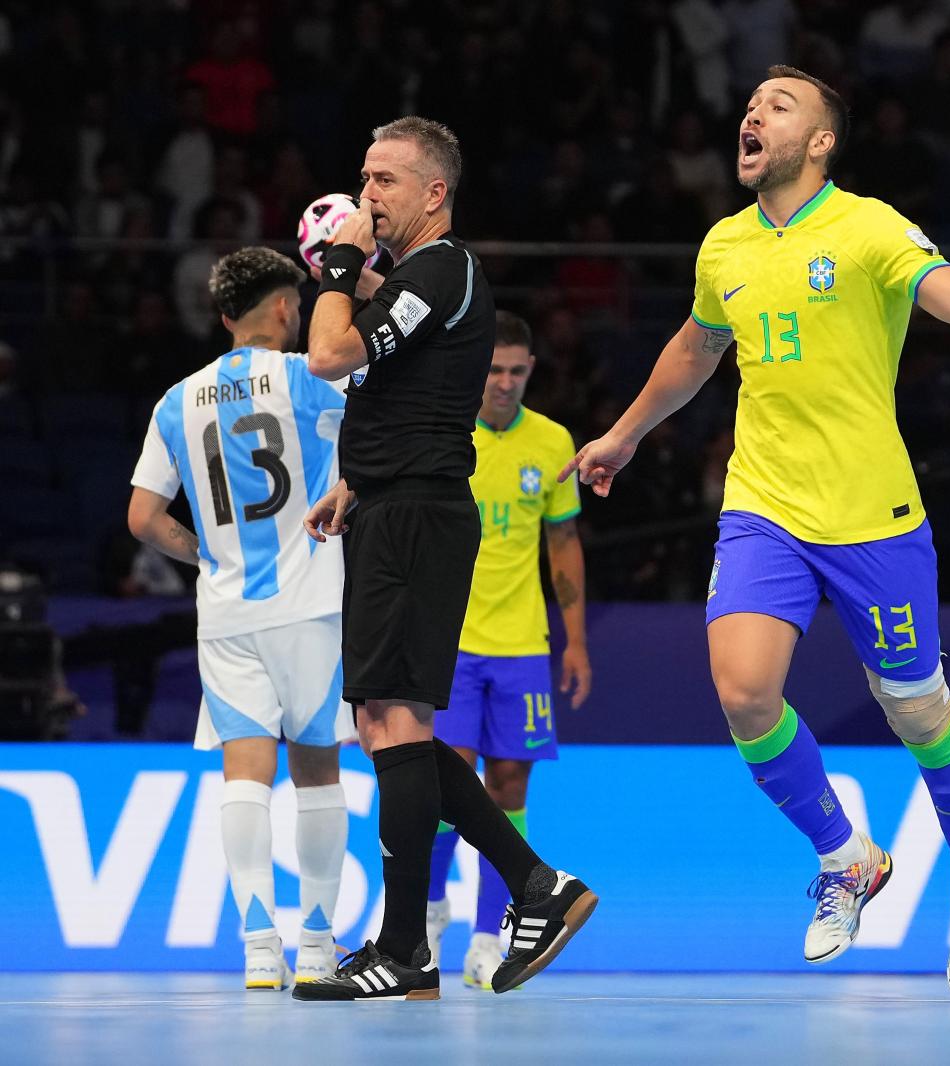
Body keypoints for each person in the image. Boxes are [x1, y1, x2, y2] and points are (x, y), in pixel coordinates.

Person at [561, 66, 950, 1001]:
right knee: (745, 692)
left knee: (919, 713)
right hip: (764, 508)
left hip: (875, 517)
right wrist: (626, 435)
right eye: (751, 104)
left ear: (823, 141)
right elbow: (694, 348)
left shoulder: (871, 227)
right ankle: (847, 857)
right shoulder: (725, 245)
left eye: (780, 105)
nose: (754, 113)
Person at [294, 117, 595, 1002]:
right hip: (396, 508)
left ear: (434, 194)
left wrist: (338, 271)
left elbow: (327, 356)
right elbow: (405, 392)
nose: (365, 196)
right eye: (362, 176)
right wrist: (359, 481)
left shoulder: (441, 269)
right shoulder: (421, 280)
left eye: (384, 180)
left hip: (418, 520)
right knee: (394, 729)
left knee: (393, 725)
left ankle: (410, 947)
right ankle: (532, 889)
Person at [126, 246, 353, 991]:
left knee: (243, 775)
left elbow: (142, 517)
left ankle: (260, 947)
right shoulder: (310, 377)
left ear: (224, 316)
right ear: (288, 308)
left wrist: (205, 556)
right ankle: (317, 945)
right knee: (318, 769)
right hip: (312, 605)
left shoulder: (175, 399)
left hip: (224, 612)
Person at [424, 310, 593, 988]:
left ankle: (489, 936)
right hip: (451, 643)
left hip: (522, 645)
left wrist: (575, 642)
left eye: (517, 371)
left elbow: (563, 546)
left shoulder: (552, 443)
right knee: (445, 786)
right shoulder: (443, 435)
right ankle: (430, 914)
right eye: (495, 370)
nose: (505, 383)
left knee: (509, 789)